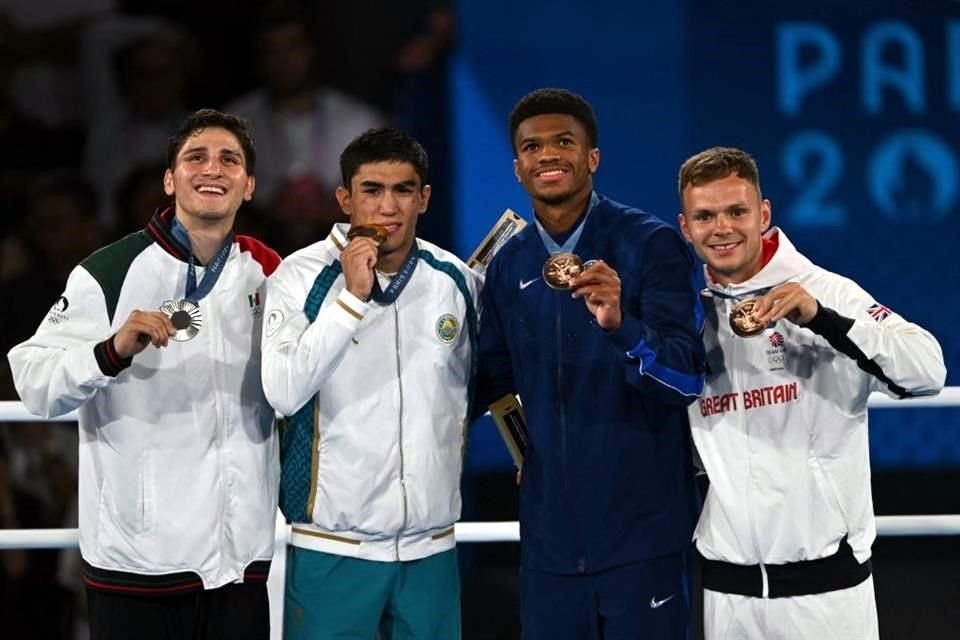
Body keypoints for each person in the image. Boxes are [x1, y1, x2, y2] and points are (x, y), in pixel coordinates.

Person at [7, 108, 282, 640]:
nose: (212, 169)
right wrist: (108, 352)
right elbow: (33, 382)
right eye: (195, 157)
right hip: (137, 565)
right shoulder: (109, 272)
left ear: (248, 185)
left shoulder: (269, 270)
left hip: (240, 563)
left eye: (230, 160)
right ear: (169, 178)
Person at [676, 146, 947, 640]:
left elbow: (927, 369)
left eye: (737, 211)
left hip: (827, 593)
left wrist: (822, 319)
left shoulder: (825, 291)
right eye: (705, 216)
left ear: (763, 214)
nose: (722, 228)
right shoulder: (687, 316)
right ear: (685, 227)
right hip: (727, 594)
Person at [476, 87, 705, 639]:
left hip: (642, 538)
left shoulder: (651, 245)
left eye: (563, 142)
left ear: (592, 158)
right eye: (532, 147)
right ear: (517, 167)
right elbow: (495, 380)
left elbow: (687, 376)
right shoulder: (507, 265)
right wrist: (528, 454)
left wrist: (623, 326)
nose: (547, 155)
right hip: (549, 542)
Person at [260, 127, 481, 639]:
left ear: (424, 198)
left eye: (404, 190)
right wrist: (351, 299)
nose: (388, 206)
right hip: (333, 550)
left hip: (432, 550)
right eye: (372, 190)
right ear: (345, 198)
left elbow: (488, 384)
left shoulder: (456, 281)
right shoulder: (299, 276)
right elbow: (283, 390)